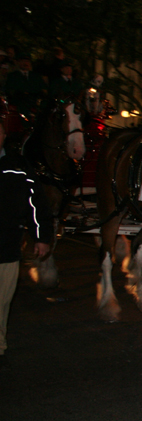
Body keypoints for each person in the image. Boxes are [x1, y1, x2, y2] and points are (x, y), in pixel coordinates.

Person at [0, 119, 54, 366]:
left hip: (6, 246)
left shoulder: (18, 166)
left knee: (2, 300)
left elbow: (37, 203)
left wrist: (41, 237)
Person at [5, 53, 47, 120]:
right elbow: (9, 90)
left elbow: (43, 89)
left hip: (35, 100)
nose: (25, 63)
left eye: (27, 61)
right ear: (19, 62)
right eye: (23, 61)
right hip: (20, 101)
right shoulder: (13, 76)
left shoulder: (36, 76)